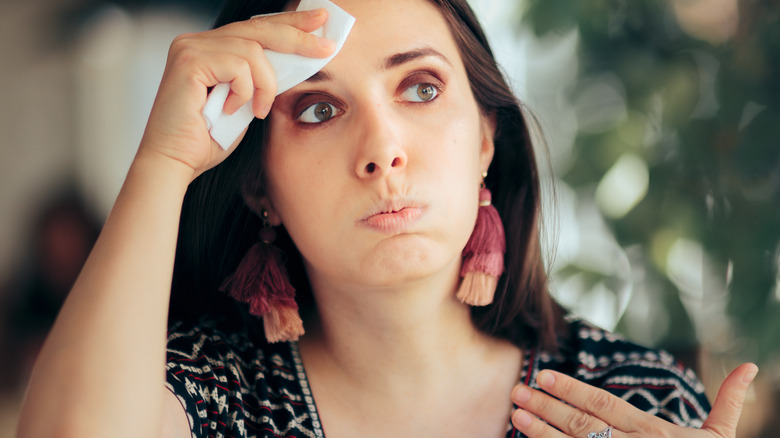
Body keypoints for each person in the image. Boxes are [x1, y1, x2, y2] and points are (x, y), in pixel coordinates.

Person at [17, 0, 757, 437]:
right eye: (318, 108)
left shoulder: (638, 403)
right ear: (259, 189)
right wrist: (165, 163)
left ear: (486, 141)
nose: (383, 151)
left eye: (422, 88)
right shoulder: (205, 396)